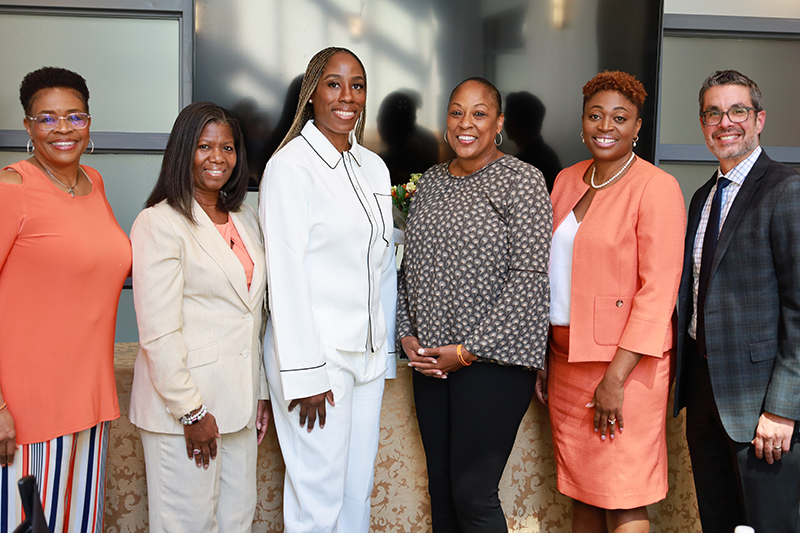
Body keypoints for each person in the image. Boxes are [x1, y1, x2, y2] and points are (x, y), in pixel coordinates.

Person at [397, 77, 551, 532]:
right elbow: (411, 271)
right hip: (431, 363)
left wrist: (467, 351)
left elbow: (529, 280)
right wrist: (407, 336)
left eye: (480, 113)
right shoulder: (429, 183)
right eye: (457, 112)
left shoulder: (522, 181)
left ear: (499, 122)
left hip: (492, 364)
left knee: (472, 492)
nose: (467, 124)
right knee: (441, 490)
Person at [537, 71, 685, 532]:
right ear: (582, 122)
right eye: (595, 115)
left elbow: (658, 292)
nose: (606, 126)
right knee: (583, 492)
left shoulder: (656, 186)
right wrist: (542, 355)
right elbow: (550, 276)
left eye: (620, 118)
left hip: (625, 370)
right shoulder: (564, 180)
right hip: (566, 362)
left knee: (622, 497)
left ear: (637, 126)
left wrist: (615, 379)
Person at [259, 47, 397, 533]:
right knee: (317, 499)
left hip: (366, 357)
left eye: (357, 85)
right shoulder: (291, 166)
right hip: (318, 361)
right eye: (334, 83)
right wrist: (305, 373)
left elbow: (382, 267)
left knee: (356, 492)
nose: (347, 96)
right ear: (312, 92)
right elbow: (286, 273)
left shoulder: (373, 168)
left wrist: (385, 351)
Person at [0, 67, 131, 532]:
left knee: (78, 524)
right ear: (28, 127)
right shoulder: (10, 190)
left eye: (75, 117)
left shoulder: (93, 183)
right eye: (47, 118)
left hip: (91, 402)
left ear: (89, 122)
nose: (62, 129)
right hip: (26, 409)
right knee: (29, 525)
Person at [129, 101, 269, 533]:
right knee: (186, 527)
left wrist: (260, 391)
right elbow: (158, 332)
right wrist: (191, 412)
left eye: (227, 147)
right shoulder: (159, 223)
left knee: (236, 523)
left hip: (240, 407)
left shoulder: (245, 218)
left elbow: (253, 316)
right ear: (183, 151)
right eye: (205, 146)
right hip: (186, 412)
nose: (218, 158)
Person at [673, 70, 800, 533]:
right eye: (713, 113)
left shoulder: (787, 190)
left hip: (762, 404)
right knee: (719, 523)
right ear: (703, 124)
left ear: (759, 119)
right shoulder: (703, 197)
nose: (725, 122)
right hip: (704, 393)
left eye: (737, 111)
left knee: (769, 525)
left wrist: (783, 409)